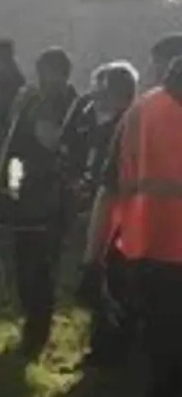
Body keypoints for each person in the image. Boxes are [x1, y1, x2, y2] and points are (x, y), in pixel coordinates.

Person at [102, 35, 182, 397]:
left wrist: (102, 257)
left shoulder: (143, 108)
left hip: (148, 257)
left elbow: (113, 187)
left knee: (168, 383)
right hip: (164, 258)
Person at [0, 47, 80, 354]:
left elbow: (54, 141)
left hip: (52, 194)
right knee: (23, 259)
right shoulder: (33, 101)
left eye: (48, 72)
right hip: (28, 188)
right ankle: (31, 318)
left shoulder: (71, 104)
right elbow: (14, 143)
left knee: (42, 265)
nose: (43, 79)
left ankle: (38, 328)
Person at [73, 61, 142, 369]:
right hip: (110, 213)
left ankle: (111, 350)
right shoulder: (107, 124)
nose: (93, 96)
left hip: (122, 220)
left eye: (99, 89)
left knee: (113, 281)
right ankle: (105, 345)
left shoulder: (127, 127)